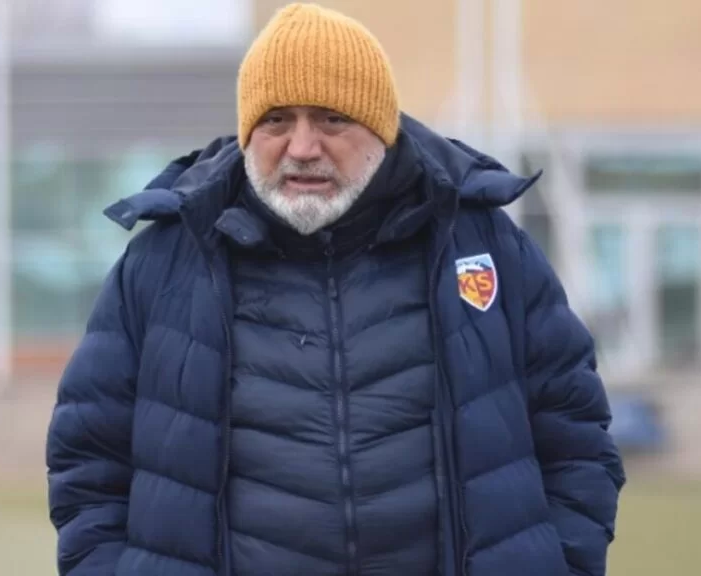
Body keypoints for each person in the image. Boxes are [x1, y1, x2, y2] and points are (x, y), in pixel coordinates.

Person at [46, 3, 625, 576]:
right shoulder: (166, 263)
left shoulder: (481, 246)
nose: (302, 147)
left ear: (380, 129)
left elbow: (575, 438)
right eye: (277, 120)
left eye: (331, 119)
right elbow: (88, 462)